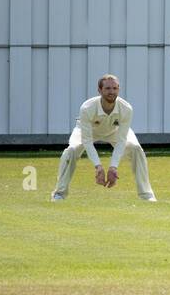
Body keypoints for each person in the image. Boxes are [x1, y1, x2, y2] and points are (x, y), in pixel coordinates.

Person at [51, 74, 156, 202]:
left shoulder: (126, 108)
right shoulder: (87, 108)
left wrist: (113, 167)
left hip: (114, 131)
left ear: (118, 89)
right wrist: (98, 166)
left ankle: (146, 195)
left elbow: (122, 140)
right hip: (88, 131)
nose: (111, 92)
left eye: (115, 88)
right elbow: (87, 141)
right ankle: (59, 194)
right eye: (107, 88)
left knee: (136, 149)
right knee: (71, 151)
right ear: (100, 90)